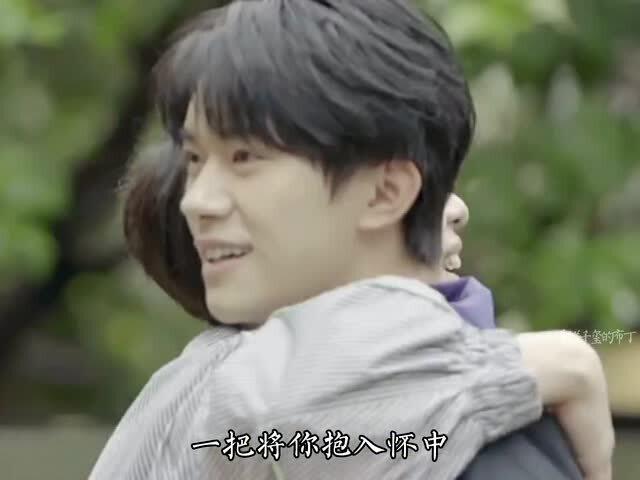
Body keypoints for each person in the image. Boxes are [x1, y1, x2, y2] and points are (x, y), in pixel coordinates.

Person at [91, 1, 613, 479]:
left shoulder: (467, 446)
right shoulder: (205, 388)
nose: (197, 200)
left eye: (244, 157)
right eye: (195, 159)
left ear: (386, 193)